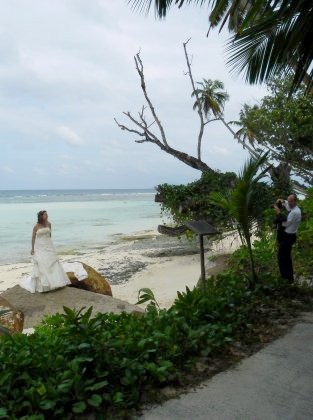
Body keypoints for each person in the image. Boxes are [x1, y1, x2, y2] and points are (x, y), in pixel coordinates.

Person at [20, 210, 70, 293]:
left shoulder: (49, 224)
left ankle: (56, 282)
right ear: (41, 216)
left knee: (52, 262)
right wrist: (32, 248)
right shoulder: (36, 226)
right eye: (45, 215)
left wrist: (50, 245)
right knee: (42, 263)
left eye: (47, 215)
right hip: (39, 246)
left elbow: (50, 235)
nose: (47, 216)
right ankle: (44, 285)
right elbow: (33, 238)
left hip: (48, 245)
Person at [274, 194, 301, 282]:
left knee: (282, 258)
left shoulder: (294, 212)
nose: (289, 203)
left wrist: (278, 213)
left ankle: (285, 279)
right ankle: (289, 278)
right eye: (288, 201)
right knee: (287, 257)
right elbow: (288, 206)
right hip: (290, 236)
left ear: (295, 201)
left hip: (288, 238)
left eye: (291, 201)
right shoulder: (294, 208)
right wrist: (282, 201)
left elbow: (285, 224)